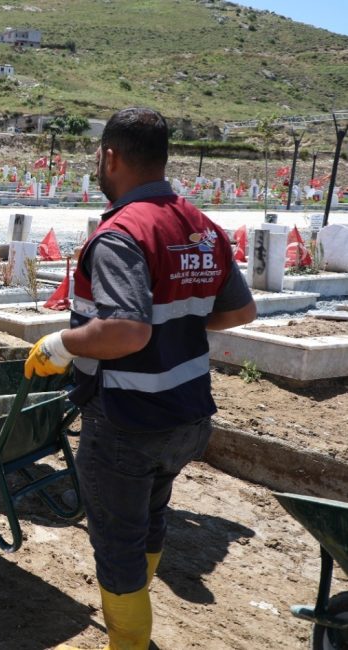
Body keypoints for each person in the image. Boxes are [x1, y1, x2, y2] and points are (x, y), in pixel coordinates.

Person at [24, 108, 257, 650]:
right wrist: (178, 320)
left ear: (111, 155)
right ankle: (139, 611)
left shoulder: (122, 233)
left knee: (118, 545)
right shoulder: (200, 225)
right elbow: (240, 312)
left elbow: (126, 331)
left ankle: (127, 641)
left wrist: (58, 344)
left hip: (128, 422)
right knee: (151, 514)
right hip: (188, 415)